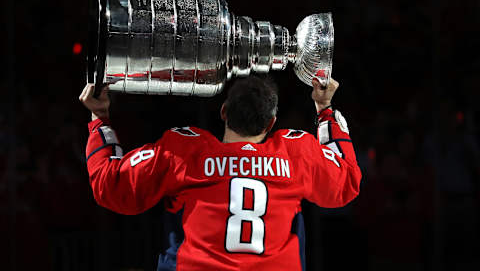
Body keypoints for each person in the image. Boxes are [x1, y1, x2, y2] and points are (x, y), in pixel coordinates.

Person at [79, 76, 361, 271]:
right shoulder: (296, 154)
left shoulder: (185, 151)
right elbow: (346, 182)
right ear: (272, 123)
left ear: (224, 111)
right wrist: (325, 110)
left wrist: (99, 118)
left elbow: (110, 185)